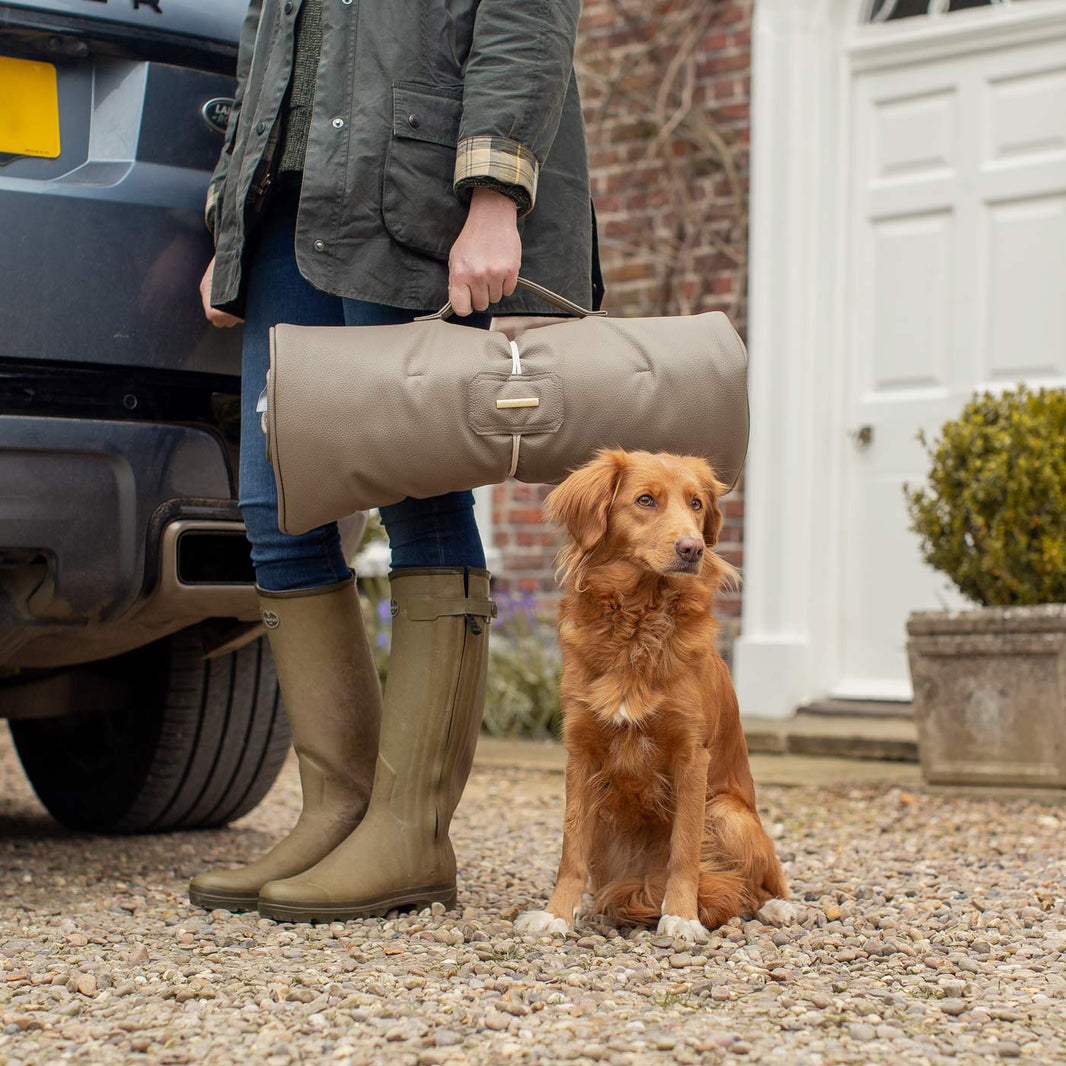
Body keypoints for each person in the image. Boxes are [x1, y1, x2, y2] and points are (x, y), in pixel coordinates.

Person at [188, 0, 593, 922]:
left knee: (419, 493)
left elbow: (526, 18)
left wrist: (497, 195)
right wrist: (229, 220)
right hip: (289, 208)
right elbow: (267, 41)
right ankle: (337, 812)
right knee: (277, 501)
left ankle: (409, 833)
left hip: (414, 193)